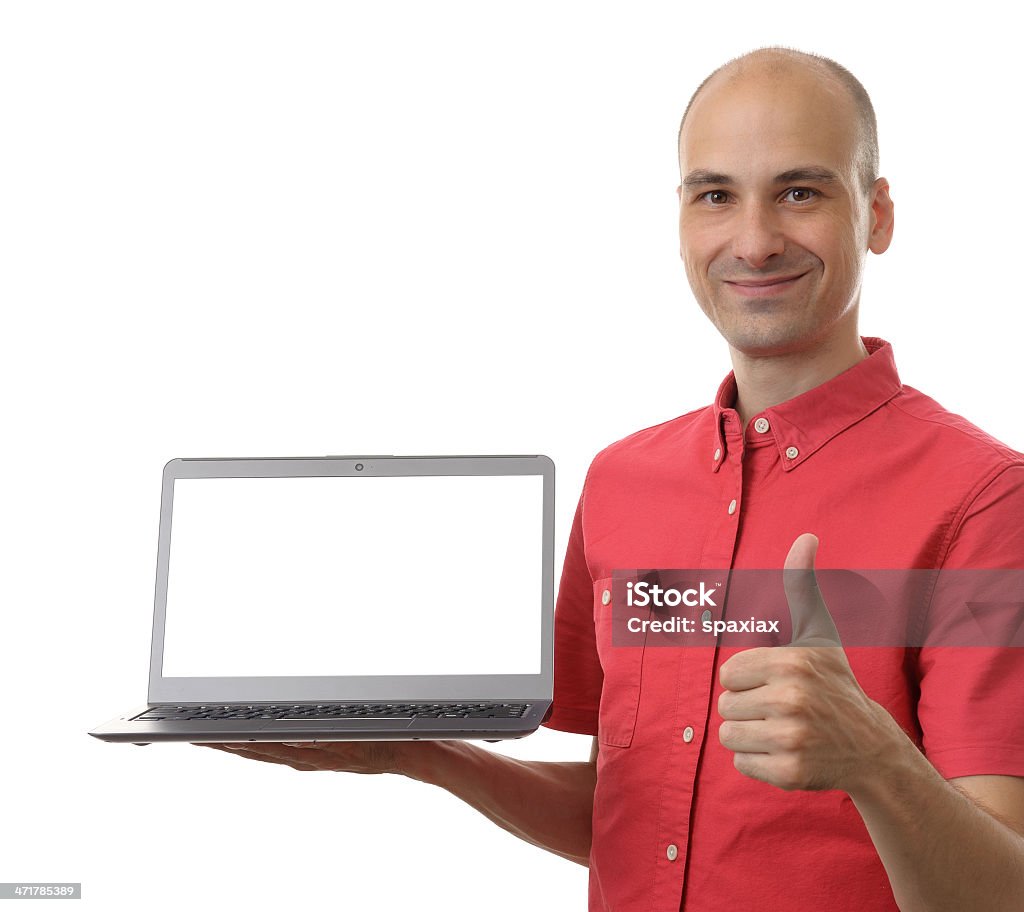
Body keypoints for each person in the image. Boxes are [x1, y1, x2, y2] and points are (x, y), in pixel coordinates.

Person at [201, 47, 1024, 910]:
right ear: (680, 222)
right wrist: (422, 752)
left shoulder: (985, 499)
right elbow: (629, 816)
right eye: (716, 195)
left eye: (799, 191)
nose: (752, 240)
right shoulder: (623, 482)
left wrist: (876, 763)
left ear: (877, 214)